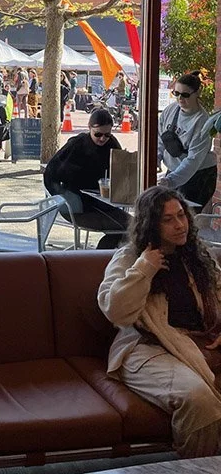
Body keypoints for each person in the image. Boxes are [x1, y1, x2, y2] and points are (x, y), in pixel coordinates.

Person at [98, 186, 221, 458]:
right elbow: (115, 311)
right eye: (168, 219)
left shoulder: (198, 255)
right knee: (198, 399)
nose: (180, 225)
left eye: (181, 215)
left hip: (197, 342)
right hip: (147, 349)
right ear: (151, 225)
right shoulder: (129, 258)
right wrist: (145, 268)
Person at [43, 108, 129, 249]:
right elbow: (50, 173)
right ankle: (99, 257)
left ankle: (102, 255)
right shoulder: (77, 144)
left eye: (107, 135)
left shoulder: (112, 144)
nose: (102, 139)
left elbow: (121, 173)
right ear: (89, 128)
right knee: (127, 227)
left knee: (134, 226)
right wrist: (61, 197)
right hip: (76, 205)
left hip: (101, 202)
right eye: (98, 134)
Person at [157, 72, 217, 212]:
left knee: (185, 215)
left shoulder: (202, 121)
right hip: (176, 169)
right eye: (176, 93)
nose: (180, 98)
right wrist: (156, 158)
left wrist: (170, 180)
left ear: (197, 93)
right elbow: (159, 137)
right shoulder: (170, 110)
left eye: (185, 95)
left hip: (199, 174)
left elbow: (193, 160)